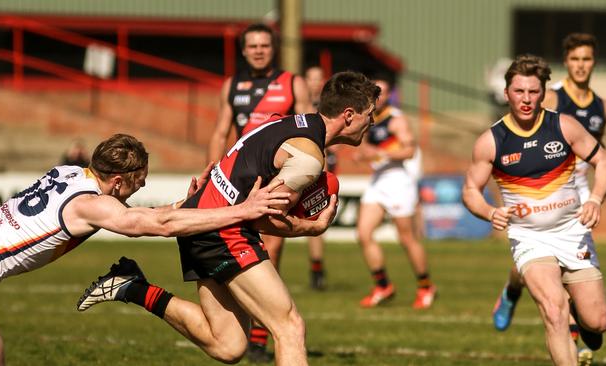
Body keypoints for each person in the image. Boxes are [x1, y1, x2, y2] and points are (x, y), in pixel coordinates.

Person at [78, 71, 380, 365]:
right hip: (224, 229)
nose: (373, 122)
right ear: (349, 115)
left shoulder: (287, 123)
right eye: (370, 114)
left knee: (228, 345)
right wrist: (312, 227)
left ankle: (132, 286)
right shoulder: (308, 159)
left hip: (200, 220)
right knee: (289, 327)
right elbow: (262, 218)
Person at [0, 133, 298, 366]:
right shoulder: (90, 205)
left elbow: (143, 216)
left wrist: (188, 205)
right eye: (140, 180)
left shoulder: (70, 173)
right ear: (119, 182)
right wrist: (245, 210)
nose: (144, 185)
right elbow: (155, 226)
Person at [463, 54, 606, 365]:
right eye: (519, 92)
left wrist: (596, 198)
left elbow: (604, 161)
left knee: (597, 323)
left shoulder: (564, 126)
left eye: (533, 91)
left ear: (543, 92)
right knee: (554, 311)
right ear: (506, 94)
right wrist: (489, 212)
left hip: (572, 232)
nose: (526, 99)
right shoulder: (491, 141)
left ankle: (584, 319)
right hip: (530, 238)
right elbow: (470, 191)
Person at [206, 22, 314, 360]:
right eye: (252, 45)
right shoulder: (232, 85)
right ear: (243, 50)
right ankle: (239, 327)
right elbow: (221, 129)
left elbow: (310, 127)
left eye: (264, 45)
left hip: (274, 178)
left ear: (274, 48)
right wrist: (211, 169)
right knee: (229, 249)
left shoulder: (291, 82)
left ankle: (259, 338)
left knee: (271, 250)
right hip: (235, 179)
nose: (258, 50)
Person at [352, 74, 435, 309]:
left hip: (398, 180)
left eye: (383, 92)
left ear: (389, 96)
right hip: (379, 180)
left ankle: (426, 286)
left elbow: (409, 150)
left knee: (406, 237)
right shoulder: (369, 118)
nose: (378, 97)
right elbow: (366, 147)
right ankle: (382, 285)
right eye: (374, 92)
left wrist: (381, 154)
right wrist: (363, 152)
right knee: (363, 233)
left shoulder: (396, 120)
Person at [303, 65, 335, 290]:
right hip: (300, 165)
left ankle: (317, 269)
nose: (314, 82)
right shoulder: (297, 106)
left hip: (323, 167)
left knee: (315, 218)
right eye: (310, 78)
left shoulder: (329, 107)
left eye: (318, 78)